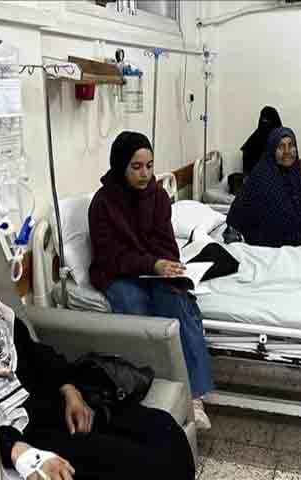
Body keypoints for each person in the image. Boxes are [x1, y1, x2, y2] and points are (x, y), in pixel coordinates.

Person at [0, 221, 195, 480]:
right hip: (18, 435)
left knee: (165, 431)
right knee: (147, 466)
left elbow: (35, 354)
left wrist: (70, 391)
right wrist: (18, 452)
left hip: (46, 406)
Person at [88, 131, 214, 429]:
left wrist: (167, 265)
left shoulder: (157, 195)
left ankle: (194, 396)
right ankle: (155, 384)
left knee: (175, 301)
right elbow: (110, 256)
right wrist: (152, 264)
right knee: (135, 304)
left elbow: (166, 241)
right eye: (136, 167)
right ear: (121, 165)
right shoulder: (103, 203)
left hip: (152, 269)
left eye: (149, 166)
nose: (145, 173)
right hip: (117, 272)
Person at [241, 106, 282, 176]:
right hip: (257, 179)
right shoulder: (252, 142)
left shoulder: (283, 140)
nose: (266, 124)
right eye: (264, 121)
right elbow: (247, 170)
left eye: (269, 121)